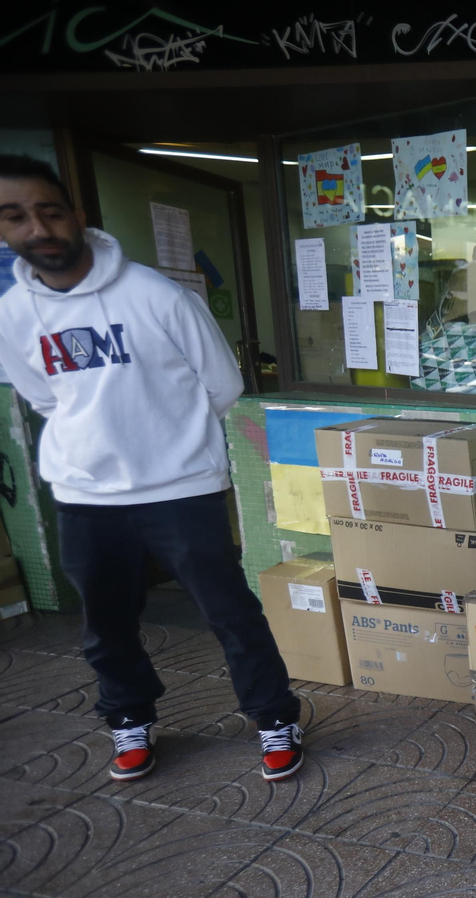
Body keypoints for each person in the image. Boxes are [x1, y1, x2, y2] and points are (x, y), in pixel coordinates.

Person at [0, 155, 304, 783]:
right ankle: (128, 719)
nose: (37, 228)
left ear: (76, 217)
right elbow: (45, 399)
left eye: (49, 211)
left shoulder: (157, 296)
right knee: (106, 625)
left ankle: (275, 717)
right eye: (15, 216)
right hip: (85, 494)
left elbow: (222, 385)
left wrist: (167, 443)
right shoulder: (11, 316)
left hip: (180, 490)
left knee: (230, 612)